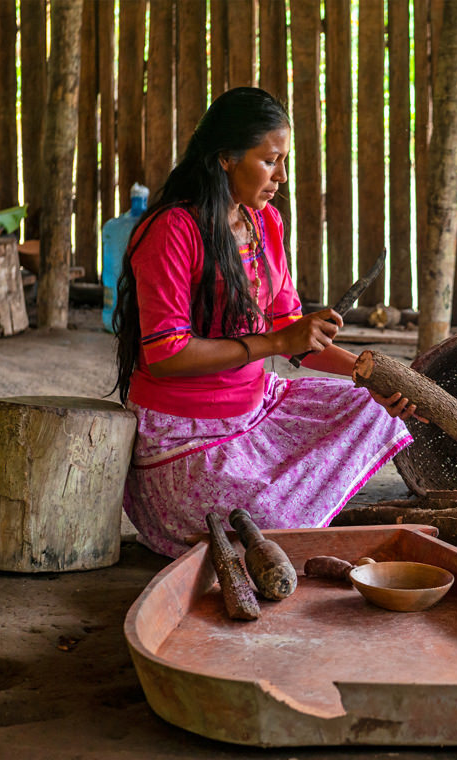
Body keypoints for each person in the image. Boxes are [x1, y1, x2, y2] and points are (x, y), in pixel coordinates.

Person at [112, 87, 420, 558]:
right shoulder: (172, 230)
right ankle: (272, 523)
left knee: (372, 409)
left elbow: (294, 334)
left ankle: (285, 520)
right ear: (226, 159)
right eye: (270, 160)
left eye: (283, 161)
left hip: (254, 411)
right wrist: (276, 340)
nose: (281, 176)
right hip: (185, 438)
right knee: (270, 521)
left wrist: (367, 373)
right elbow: (167, 353)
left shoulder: (264, 223)